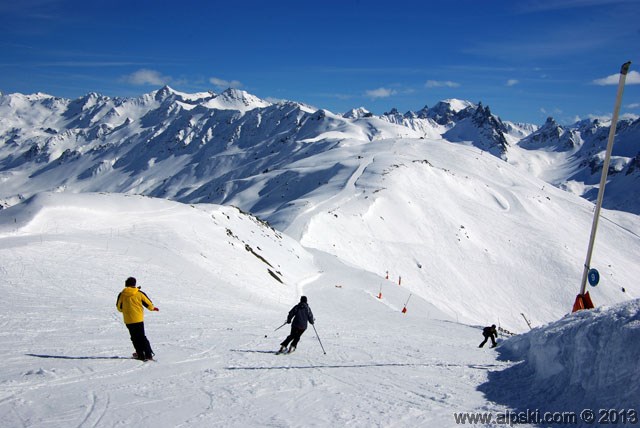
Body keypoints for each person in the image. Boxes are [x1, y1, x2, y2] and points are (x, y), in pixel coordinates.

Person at [116, 277, 159, 361]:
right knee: (142, 337)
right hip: (138, 319)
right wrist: (153, 308)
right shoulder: (139, 293)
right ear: (134, 284)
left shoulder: (122, 294)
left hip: (128, 319)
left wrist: (126, 311)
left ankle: (140, 355)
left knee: (134, 338)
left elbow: (119, 307)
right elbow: (148, 303)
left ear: (126, 284)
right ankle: (148, 354)